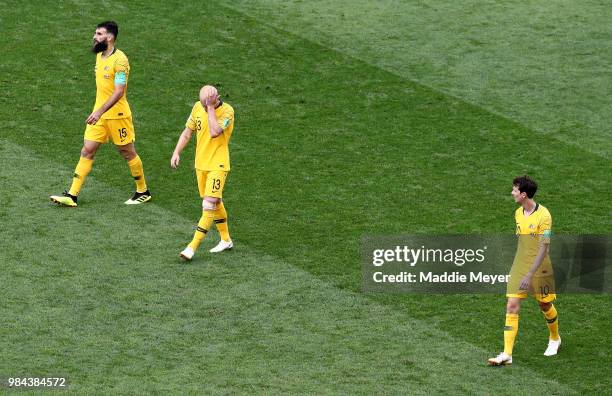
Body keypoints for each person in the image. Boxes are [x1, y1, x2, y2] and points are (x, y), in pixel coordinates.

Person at [50, 21, 151, 207]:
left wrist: (99, 111)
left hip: (117, 116)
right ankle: (72, 195)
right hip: (100, 115)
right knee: (87, 149)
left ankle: (143, 191)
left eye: (99, 34)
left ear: (110, 37)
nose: (94, 37)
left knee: (127, 152)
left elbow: (119, 91)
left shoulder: (120, 60)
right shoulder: (100, 55)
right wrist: (98, 112)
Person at [488, 176, 561, 366]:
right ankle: (507, 354)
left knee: (545, 305)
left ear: (523, 194)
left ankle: (555, 339)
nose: (512, 192)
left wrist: (529, 274)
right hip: (520, 265)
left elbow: (544, 248)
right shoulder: (518, 213)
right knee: (512, 305)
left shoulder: (544, 216)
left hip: (540, 268)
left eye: (514, 190)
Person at [171, 85, 235, 261]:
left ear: (216, 99)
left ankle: (191, 247)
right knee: (216, 201)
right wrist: (177, 152)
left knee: (208, 205)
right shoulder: (198, 107)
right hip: (201, 164)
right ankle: (226, 240)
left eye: (206, 104)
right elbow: (187, 132)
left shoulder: (228, 111)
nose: (203, 107)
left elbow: (215, 132)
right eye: (202, 104)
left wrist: (211, 109)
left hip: (218, 165)